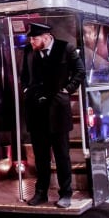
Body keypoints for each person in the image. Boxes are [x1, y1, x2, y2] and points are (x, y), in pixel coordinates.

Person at [19, 22, 85, 208]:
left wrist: (67, 90)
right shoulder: (28, 51)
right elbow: (24, 74)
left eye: (35, 38)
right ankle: (41, 193)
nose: (31, 41)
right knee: (41, 157)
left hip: (57, 110)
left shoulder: (66, 48)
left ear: (46, 37)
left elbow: (80, 72)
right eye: (31, 39)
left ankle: (65, 193)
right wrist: (26, 89)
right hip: (36, 111)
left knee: (62, 155)